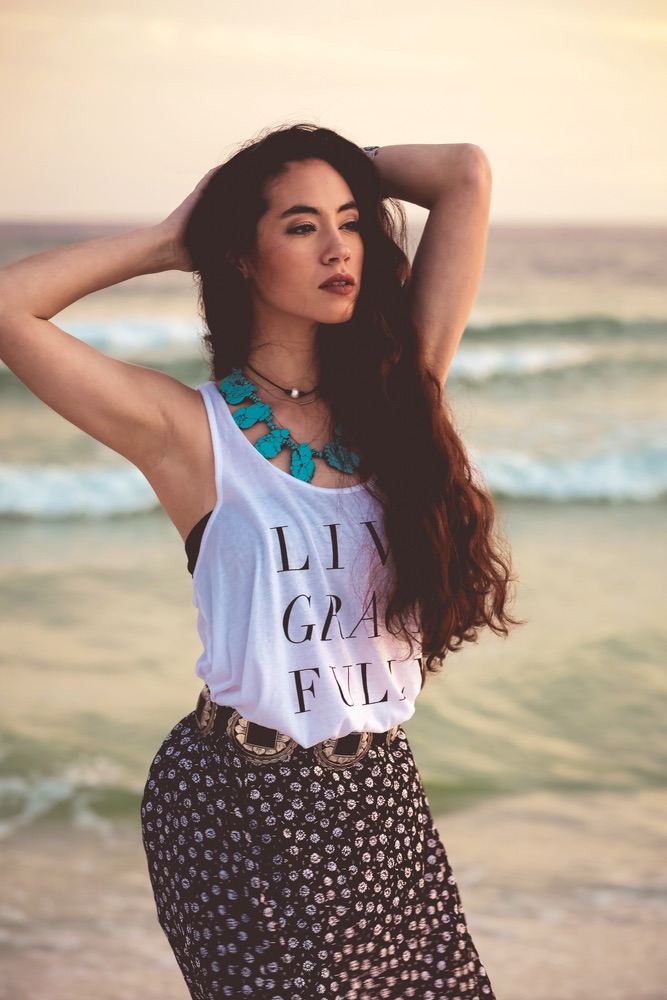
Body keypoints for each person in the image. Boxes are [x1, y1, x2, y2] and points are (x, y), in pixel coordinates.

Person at [0, 123, 515, 999]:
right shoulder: (188, 433)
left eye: (350, 221)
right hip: (238, 805)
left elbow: (463, 175)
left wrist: (316, 154)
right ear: (241, 254)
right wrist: (175, 237)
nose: (338, 247)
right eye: (301, 225)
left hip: (379, 799)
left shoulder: (400, 394)